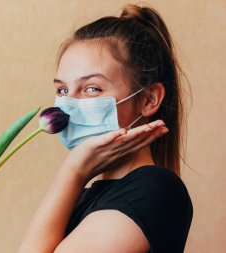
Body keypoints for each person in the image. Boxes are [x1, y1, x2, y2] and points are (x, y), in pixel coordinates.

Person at [17, 3, 193, 253]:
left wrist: (74, 170)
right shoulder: (85, 197)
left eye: (91, 89)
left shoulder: (154, 189)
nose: (69, 105)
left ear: (148, 99)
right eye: (63, 90)